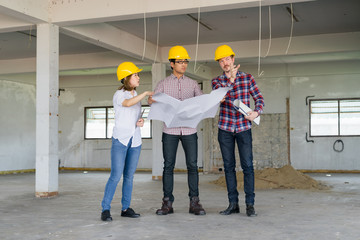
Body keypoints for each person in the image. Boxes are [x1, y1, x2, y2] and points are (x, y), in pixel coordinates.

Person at [148, 45, 206, 215]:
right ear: (172, 64)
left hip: (189, 130)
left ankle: (194, 202)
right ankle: (167, 203)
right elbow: (154, 100)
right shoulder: (163, 84)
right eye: (180, 61)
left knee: (193, 165)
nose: (183, 64)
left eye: (185, 61)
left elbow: (202, 102)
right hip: (170, 130)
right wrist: (152, 101)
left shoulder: (192, 83)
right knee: (168, 166)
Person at [212, 45, 264, 217]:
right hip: (225, 128)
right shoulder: (217, 82)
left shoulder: (248, 78)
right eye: (221, 60)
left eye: (227, 59)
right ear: (219, 64)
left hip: (243, 128)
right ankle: (233, 204)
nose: (225, 63)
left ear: (233, 59)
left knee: (248, 166)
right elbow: (219, 99)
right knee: (228, 167)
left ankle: (250, 205)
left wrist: (257, 112)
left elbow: (259, 98)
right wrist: (231, 81)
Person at [101, 62, 153, 221]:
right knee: (116, 176)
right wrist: (144, 94)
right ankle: (105, 209)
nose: (138, 77)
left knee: (129, 176)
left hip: (135, 140)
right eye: (135, 75)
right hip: (120, 140)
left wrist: (140, 121)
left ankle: (125, 208)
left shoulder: (135, 95)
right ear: (126, 78)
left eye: (138, 74)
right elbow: (127, 104)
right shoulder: (120, 94)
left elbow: (133, 114)